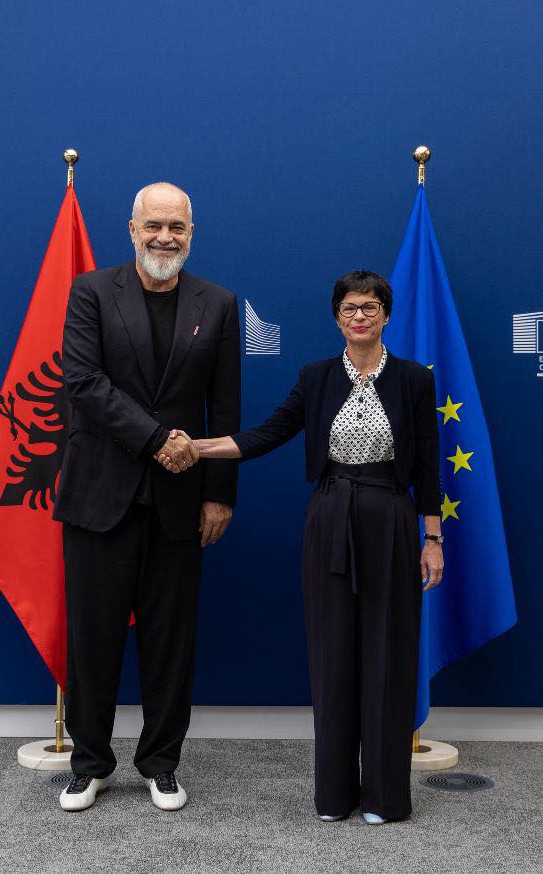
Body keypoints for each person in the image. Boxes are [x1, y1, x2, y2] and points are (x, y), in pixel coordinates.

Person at [159, 269, 443, 824]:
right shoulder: (316, 377)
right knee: (332, 653)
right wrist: (198, 447)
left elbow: (429, 466)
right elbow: (266, 434)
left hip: (390, 517)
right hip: (330, 515)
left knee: (387, 653)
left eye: (370, 307)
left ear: (386, 315)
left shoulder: (413, 380)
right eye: (349, 308)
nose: (359, 316)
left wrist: (431, 538)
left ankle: (383, 796)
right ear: (336, 318)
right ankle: (335, 795)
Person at [53, 182, 241, 812]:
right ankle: (90, 764)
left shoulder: (219, 304)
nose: (165, 237)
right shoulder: (91, 291)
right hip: (98, 499)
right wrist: (158, 439)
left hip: (180, 505)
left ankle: (161, 763)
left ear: (191, 233)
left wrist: (220, 495)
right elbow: (84, 382)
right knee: (93, 641)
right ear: (131, 229)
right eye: (154, 225)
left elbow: (225, 407)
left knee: (170, 643)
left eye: (176, 227)